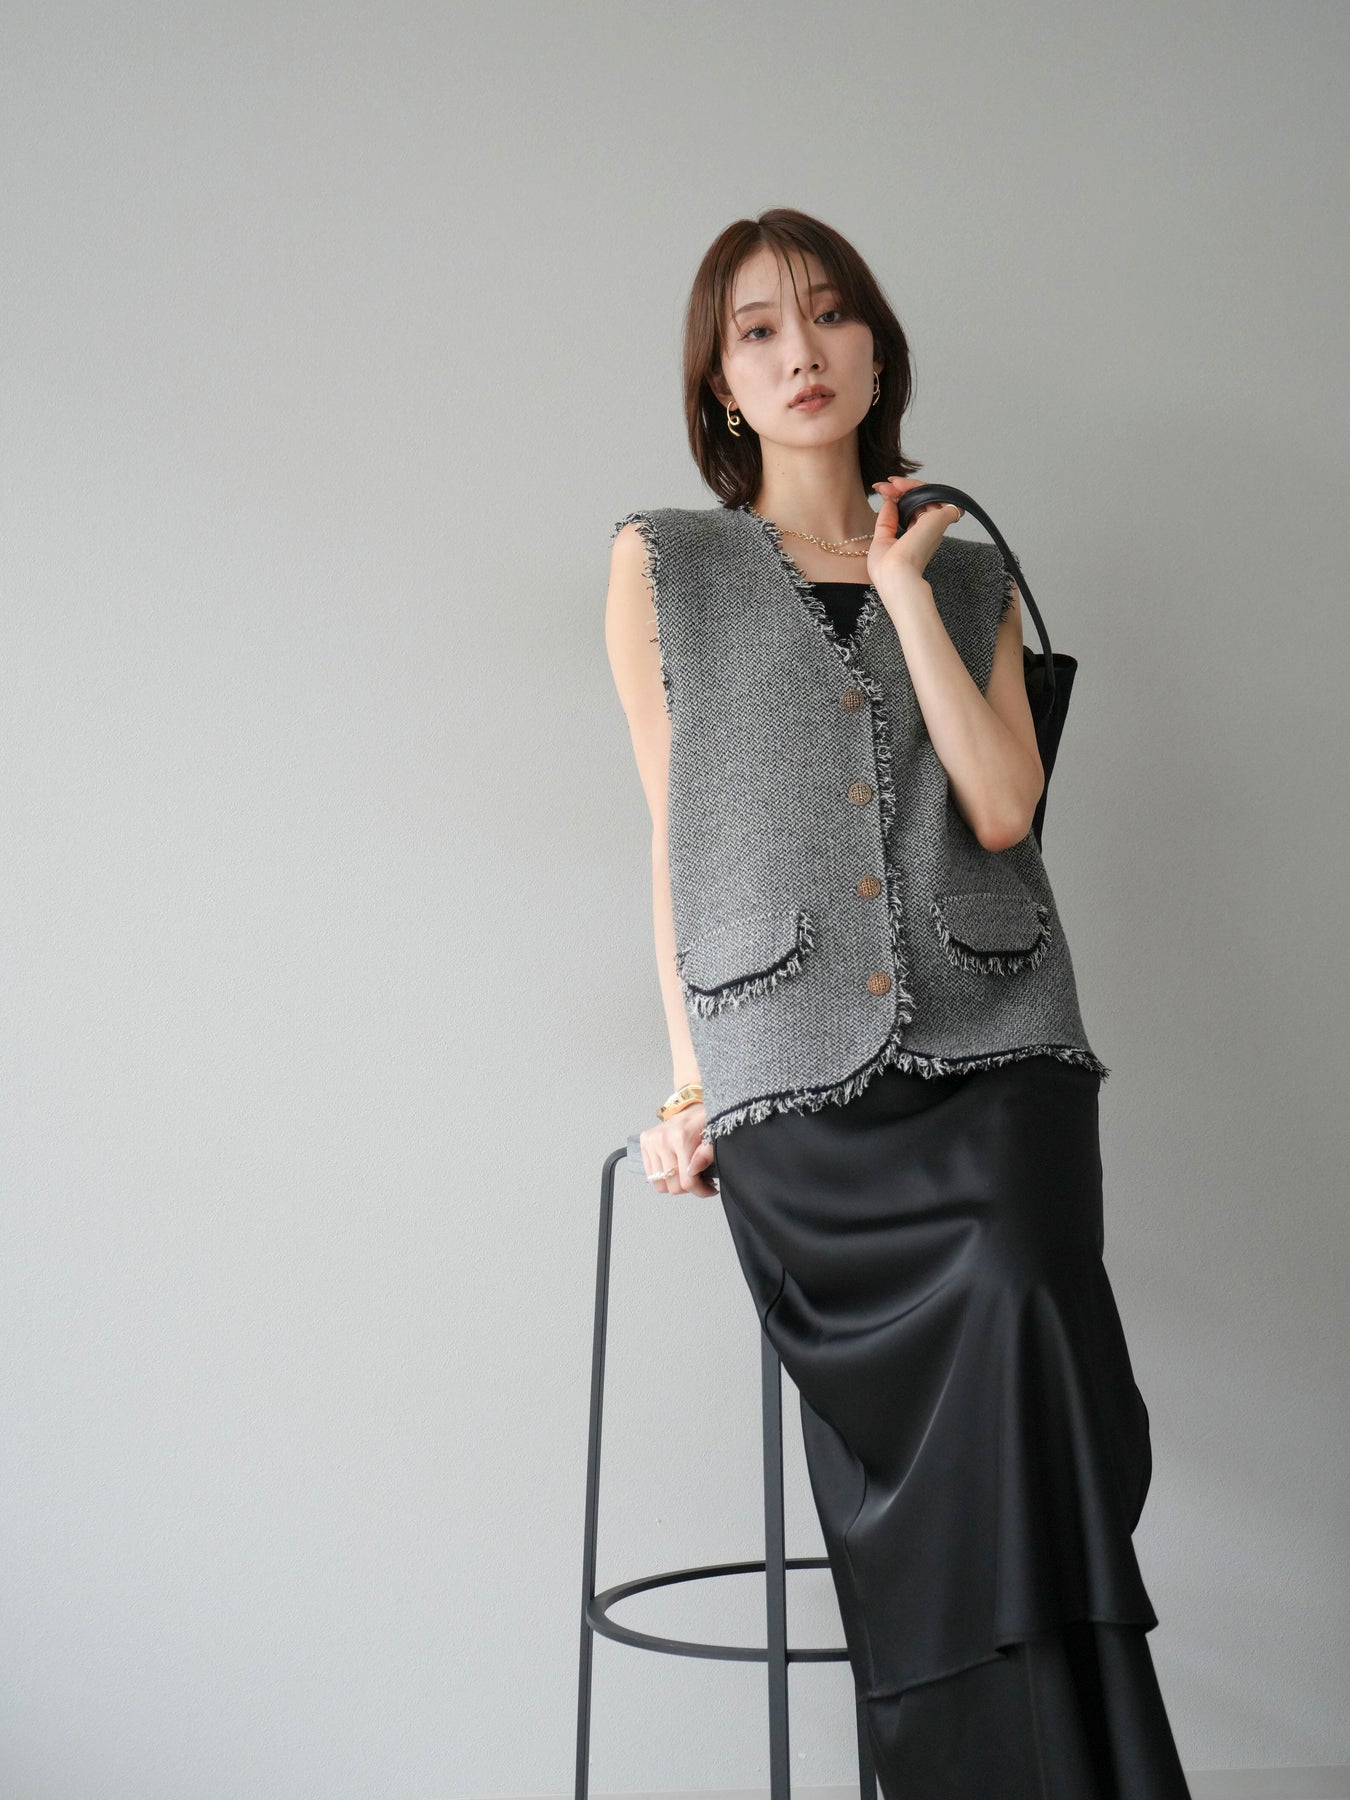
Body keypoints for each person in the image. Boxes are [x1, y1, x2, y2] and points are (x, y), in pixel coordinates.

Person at [604, 207, 1191, 1799]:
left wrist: (905, 589)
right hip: (794, 1079)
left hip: (999, 1044)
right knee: (966, 1418)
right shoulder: (663, 566)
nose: (799, 351)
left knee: (1022, 1301)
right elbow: (673, 837)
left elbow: (1001, 805)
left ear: (875, 348)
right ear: (719, 384)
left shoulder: (971, 569)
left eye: (827, 315)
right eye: (756, 332)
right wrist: (684, 1085)